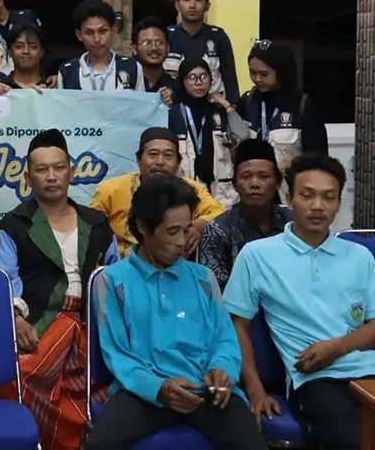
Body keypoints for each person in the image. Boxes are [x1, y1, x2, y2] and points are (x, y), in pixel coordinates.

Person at [225, 154, 375, 450]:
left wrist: (337, 347)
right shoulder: (257, 255)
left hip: (374, 373)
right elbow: (237, 326)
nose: (318, 206)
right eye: (307, 195)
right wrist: (255, 390)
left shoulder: (360, 256)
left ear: (339, 203)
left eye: (328, 197)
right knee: (357, 441)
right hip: (315, 379)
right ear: (289, 198)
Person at [85, 175, 266, 450]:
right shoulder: (112, 280)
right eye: (172, 232)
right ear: (143, 227)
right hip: (142, 392)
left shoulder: (203, 278)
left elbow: (224, 339)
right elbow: (118, 354)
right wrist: (159, 388)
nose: (183, 241)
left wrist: (222, 369)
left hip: (205, 390)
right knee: (101, 445)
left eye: (187, 229)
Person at [0, 129, 119, 450]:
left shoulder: (97, 223)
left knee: (109, 381)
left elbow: (115, 279)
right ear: (28, 178)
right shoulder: (15, 224)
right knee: (14, 377)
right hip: (37, 324)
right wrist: (16, 319)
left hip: (91, 325)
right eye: (42, 169)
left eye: (59, 167)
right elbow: (5, 280)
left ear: (71, 172)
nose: (51, 176)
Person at [90, 127, 225, 257]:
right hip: (121, 266)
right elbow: (90, 230)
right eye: (153, 154)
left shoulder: (192, 189)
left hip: (175, 265)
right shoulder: (110, 190)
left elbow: (220, 213)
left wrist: (199, 225)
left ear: (178, 163)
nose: (160, 162)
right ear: (139, 160)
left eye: (168, 155)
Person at [197, 139, 292, 290]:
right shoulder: (217, 230)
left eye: (264, 176)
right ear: (234, 184)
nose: (254, 184)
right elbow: (213, 291)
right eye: (246, 176)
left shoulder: (293, 223)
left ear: (278, 183)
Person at [235, 41, 328, 186]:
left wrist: (288, 165)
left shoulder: (302, 105)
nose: (257, 79)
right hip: (254, 189)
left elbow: (319, 158)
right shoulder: (247, 103)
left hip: (290, 189)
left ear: (281, 72)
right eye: (252, 73)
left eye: (264, 74)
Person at [169, 57, 249, 208]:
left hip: (221, 193)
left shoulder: (219, 112)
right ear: (182, 81)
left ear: (211, 80)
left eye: (203, 76)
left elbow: (243, 137)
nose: (198, 82)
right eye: (192, 77)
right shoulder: (174, 113)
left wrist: (227, 105)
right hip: (187, 191)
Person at [165, 0, 239, 99]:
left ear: (207, 6)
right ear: (177, 5)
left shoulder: (218, 37)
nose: (192, 5)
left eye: (198, 0)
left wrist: (232, 104)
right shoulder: (167, 36)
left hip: (212, 106)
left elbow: (230, 78)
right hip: (175, 106)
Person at [57, 0, 145, 92]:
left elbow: (141, 101)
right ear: (79, 35)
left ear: (113, 32)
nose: (97, 39)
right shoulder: (67, 72)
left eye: (103, 31)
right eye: (89, 32)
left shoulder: (133, 68)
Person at [133, 17, 177, 104]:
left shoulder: (176, 86)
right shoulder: (126, 83)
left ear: (168, 48)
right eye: (147, 43)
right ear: (134, 49)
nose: (154, 48)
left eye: (159, 43)